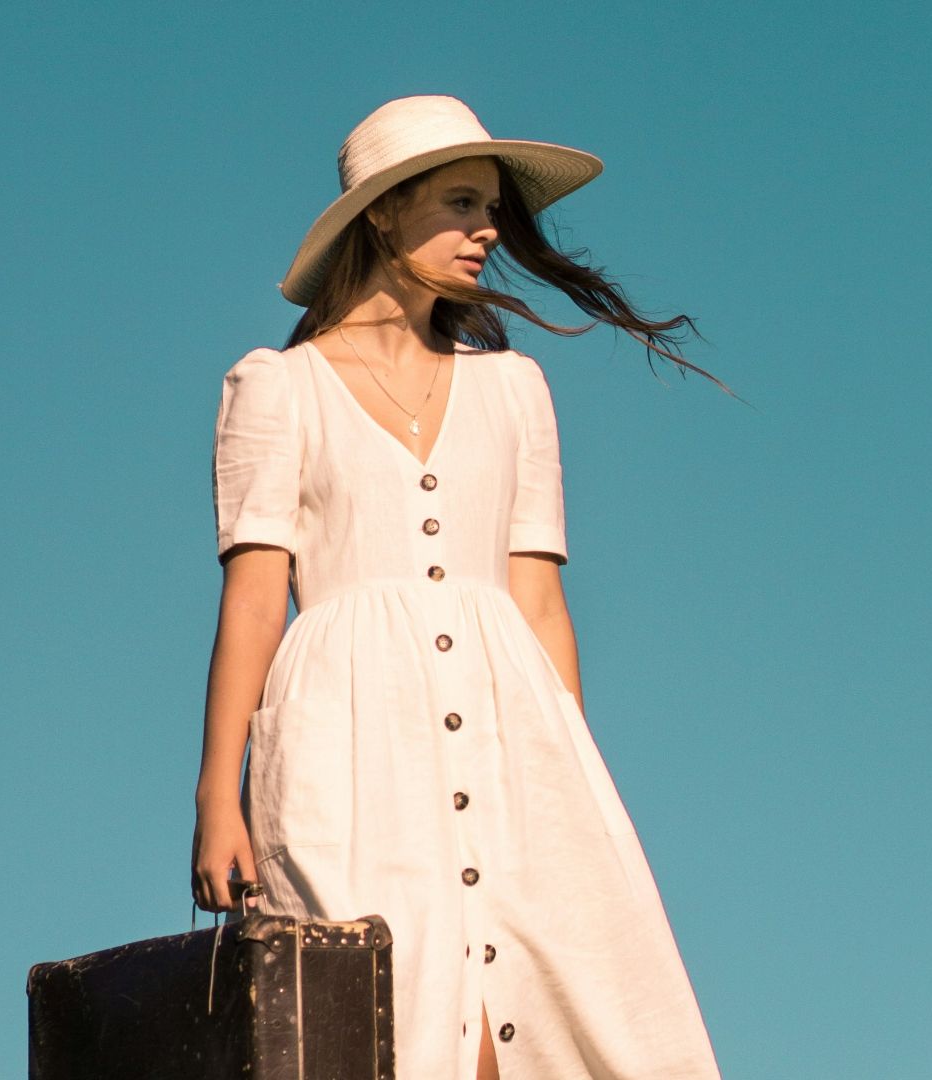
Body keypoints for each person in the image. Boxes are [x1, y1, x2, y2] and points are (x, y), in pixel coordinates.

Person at [191, 94, 723, 1080]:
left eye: (493, 210)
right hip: (345, 743)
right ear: (385, 213)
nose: (487, 231)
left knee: (543, 1006)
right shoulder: (277, 387)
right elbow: (256, 604)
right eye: (462, 203)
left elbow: (540, 607)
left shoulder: (513, 391)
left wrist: (567, 783)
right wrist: (216, 794)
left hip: (514, 730)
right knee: (384, 1017)